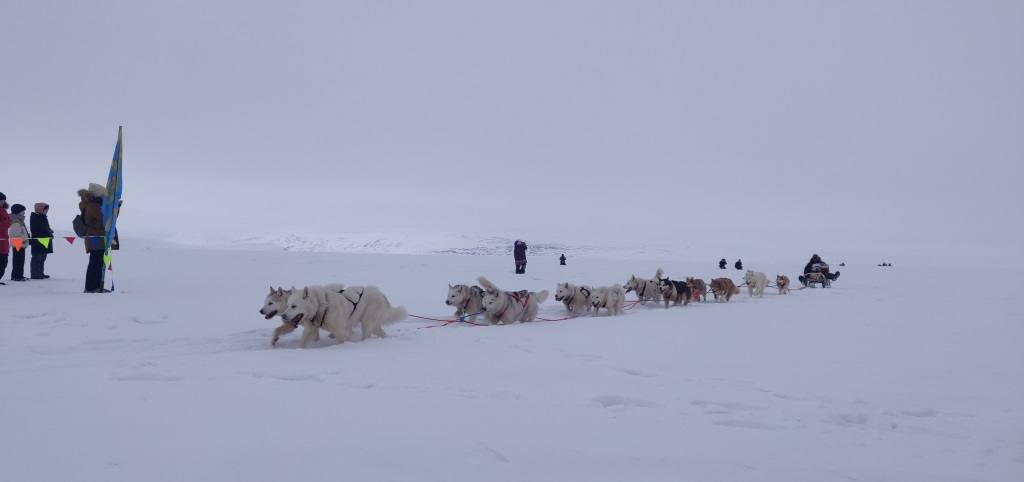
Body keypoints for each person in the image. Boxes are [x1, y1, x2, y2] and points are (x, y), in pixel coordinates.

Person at [79, 183, 108, 293]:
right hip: (95, 238)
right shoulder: (92, 206)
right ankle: (91, 287)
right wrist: (115, 209)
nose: (104, 197)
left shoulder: (94, 205)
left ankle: (95, 286)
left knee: (98, 263)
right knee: (95, 263)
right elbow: (104, 220)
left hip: (97, 237)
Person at [30, 202, 54, 279]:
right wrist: (48, 232)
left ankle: (40, 273)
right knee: (37, 258)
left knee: (42, 258)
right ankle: (35, 274)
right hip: (38, 241)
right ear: (40, 209)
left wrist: (49, 231)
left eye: (47, 210)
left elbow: (45, 228)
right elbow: (38, 229)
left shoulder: (43, 217)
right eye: (45, 209)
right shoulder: (35, 217)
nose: (47, 211)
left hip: (44, 240)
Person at [7, 204, 30, 281]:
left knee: (20, 260)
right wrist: (24, 238)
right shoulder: (16, 221)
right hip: (18, 243)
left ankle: (19, 275)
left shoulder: (19, 220)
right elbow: (15, 234)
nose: (24, 212)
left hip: (20, 243)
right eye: (23, 211)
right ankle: (16, 276)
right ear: (18, 211)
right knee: (18, 261)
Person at [0, 192, 9, 285]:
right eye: (1, 200)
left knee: (3, 262)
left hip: (4, 241)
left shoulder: (4, 211)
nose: (2, 202)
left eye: (3, 200)